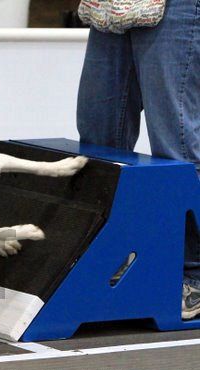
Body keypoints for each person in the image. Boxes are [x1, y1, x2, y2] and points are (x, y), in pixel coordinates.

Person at [76, 0, 200, 319]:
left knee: (177, 145)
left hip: (178, 6)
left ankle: (194, 276)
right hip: (113, 5)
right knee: (98, 139)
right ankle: (114, 259)